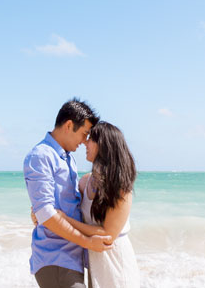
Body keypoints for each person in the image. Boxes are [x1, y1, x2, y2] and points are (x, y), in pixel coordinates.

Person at [24, 99, 112, 288]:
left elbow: (67, 204)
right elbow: (46, 213)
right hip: (55, 257)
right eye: (84, 134)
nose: (84, 141)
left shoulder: (67, 158)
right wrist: (88, 242)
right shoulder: (41, 156)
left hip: (71, 258)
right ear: (69, 125)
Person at [55, 121, 140, 288]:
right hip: (95, 265)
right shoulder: (85, 181)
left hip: (117, 266)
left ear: (104, 145)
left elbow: (108, 234)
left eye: (91, 139)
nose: (85, 142)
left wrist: (64, 219)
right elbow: (65, 203)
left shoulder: (122, 189)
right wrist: (39, 212)